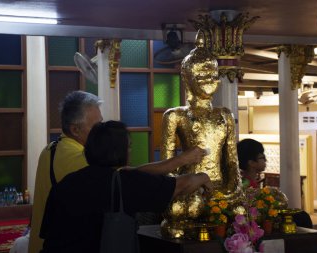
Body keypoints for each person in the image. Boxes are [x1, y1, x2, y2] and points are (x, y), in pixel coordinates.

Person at [29, 91, 208, 253]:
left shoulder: (50, 150)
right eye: (96, 126)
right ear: (75, 129)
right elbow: (129, 175)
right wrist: (183, 160)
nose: (100, 131)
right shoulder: (76, 157)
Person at [160, 29, 242, 236]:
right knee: (181, 208)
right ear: (187, 77)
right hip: (191, 187)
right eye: (202, 75)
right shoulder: (175, 116)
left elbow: (232, 162)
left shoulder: (225, 115)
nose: (209, 80)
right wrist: (186, 187)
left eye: (213, 76)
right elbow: (167, 167)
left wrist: (231, 189)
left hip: (221, 190)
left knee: (242, 208)